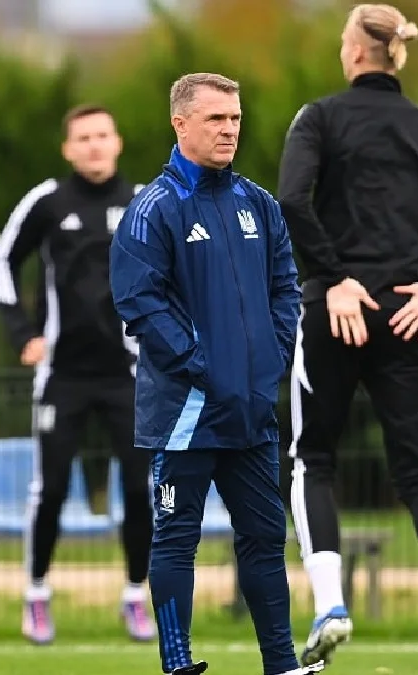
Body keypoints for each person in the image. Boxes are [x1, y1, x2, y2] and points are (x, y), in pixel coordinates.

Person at [277, 5, 418, 674]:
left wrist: (334, 278)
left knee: (312, 458)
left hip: (335, 314)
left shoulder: (318, 118)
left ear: (354, 51)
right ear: (396, 54)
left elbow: (291, 200)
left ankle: (329, 606)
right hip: (406, 316)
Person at [109, 72, 321, 675]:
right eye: (215, 119)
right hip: (187, 411)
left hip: (251, 409)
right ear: (181, 124)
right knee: (177, 539)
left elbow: (286, 287)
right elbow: (138, 301)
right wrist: (200, 365)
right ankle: (178, 665)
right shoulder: (153, 208)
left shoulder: (260, 204)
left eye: (235, 119)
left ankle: (281, 665)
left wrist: (271, 357)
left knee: (265, 539)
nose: (229, 130)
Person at [0, 104, 155, 645]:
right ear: (67, 149)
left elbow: (178, 273)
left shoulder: (145, 203)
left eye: (102, 135)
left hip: (128, 375)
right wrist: (23, 334)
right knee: (53, 488)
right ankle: (36, 594)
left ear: (118, 142)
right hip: (61, 376)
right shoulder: (47, 201)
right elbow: (2, 261)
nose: (94, 145)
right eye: (83, 138)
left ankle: (136, 597)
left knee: (140, 488)